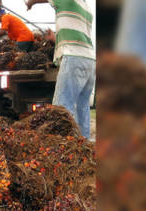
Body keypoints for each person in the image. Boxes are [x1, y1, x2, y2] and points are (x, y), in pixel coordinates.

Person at [26, 0, 96, 139]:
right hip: (90, 60)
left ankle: (66, 150)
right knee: (82, 109)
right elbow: (76, 33)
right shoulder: (86, 7)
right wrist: (54, 38)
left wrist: (30, 3)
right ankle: (84, 149)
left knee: (61, 109)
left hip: (73, 58)